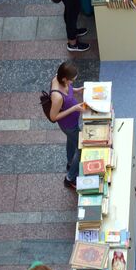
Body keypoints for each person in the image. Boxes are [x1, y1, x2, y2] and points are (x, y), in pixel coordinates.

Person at [48, 60, 86, 189]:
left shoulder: (59, 78)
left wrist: (76, 90)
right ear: (64, 78)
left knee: (71, 142)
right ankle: (70, 178)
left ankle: (70, 162)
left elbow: (68, 89)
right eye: (71, 81)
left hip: (72, 123)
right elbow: (54, 117)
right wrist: (74, 108)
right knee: (81, 148)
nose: (72, 83)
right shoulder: (57, 97)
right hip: (68, 125)